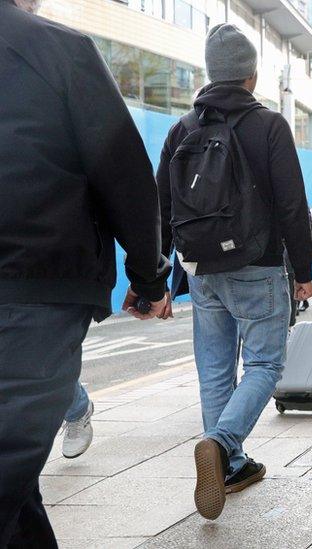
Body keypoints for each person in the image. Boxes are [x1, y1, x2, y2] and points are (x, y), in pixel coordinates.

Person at [0, 0, 170, 544]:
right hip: (39, 288)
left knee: (14, 483)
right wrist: (147, 278)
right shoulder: (58, 50)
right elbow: (122, 171)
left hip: (38, 287)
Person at [155, 24, 312, 520]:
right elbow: (291, 204)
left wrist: (158, 279)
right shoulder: (268, 125)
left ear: (210, 73)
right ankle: (222, 445)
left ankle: (233, 465)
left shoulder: (183, 128)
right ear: (251, 74)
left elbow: (160, 206)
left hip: (201, 269)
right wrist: (304, 270)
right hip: (257, 264)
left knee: (216, 369)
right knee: (265, 365)